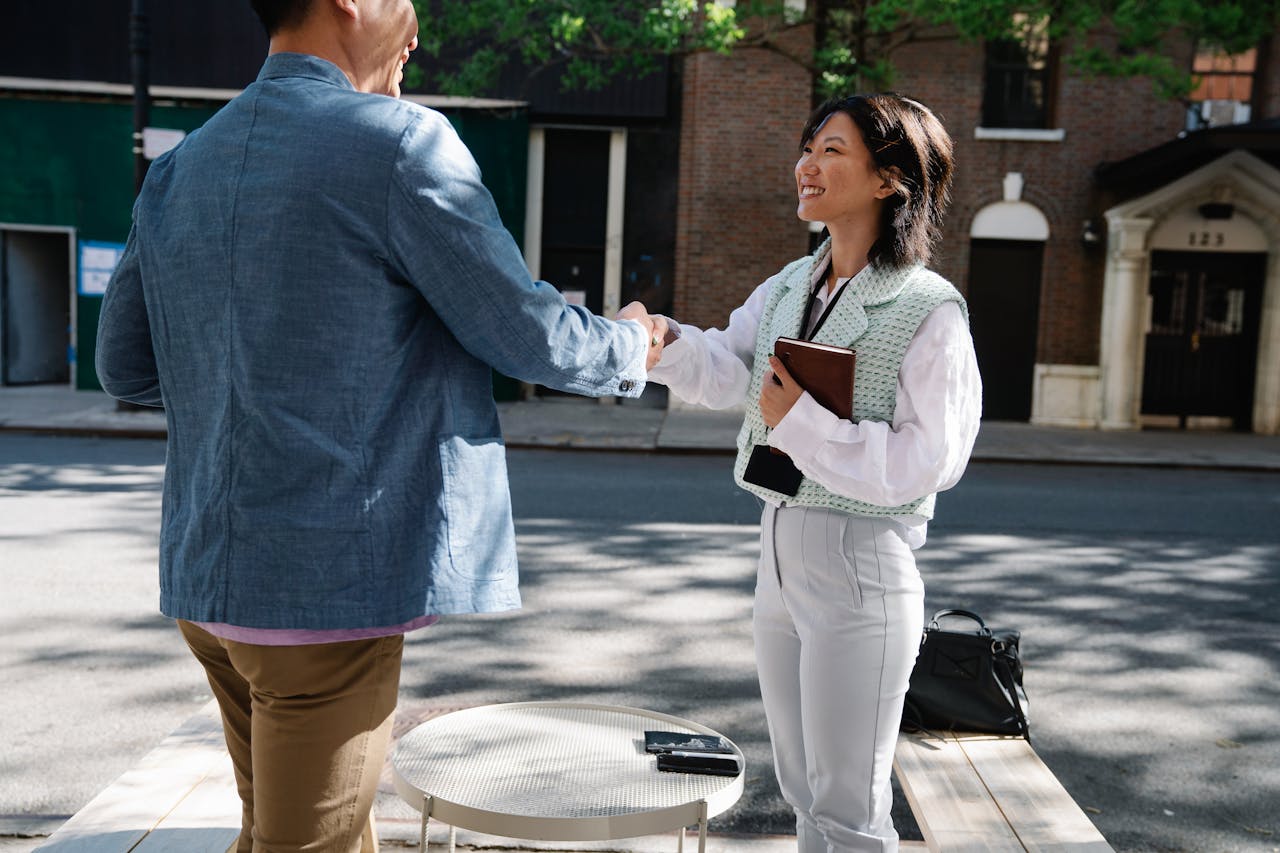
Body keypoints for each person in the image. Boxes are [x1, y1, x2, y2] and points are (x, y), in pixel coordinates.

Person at [94, 1, 666, 850]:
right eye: (411, 8)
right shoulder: (400, 141)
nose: (420, 34)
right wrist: (633, 341)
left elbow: (125, 367)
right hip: (323, 594)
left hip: (209, 581)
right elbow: (526, 332)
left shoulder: (184, 165)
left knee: (282, 830)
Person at [624, 94, 981, 851]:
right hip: (779, 549)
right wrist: (664, 341)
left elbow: (932, 461)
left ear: (889, 179)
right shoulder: (792, 284)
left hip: (864, 565)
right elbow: (727, 368)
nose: (806, 165)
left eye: (831, 151)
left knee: (848, 804)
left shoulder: (929, 310)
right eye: (807, 147)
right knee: (802, 791)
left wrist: (804, 424)